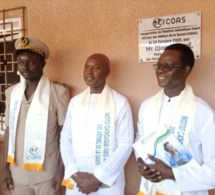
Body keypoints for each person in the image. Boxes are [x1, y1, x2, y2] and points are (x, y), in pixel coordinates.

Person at [136, 43, 215, 195]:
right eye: (158, 65)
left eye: (168, 66)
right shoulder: (146, 106)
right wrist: (142, 164)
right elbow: (140, 140)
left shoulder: (203, 113)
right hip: (150, 189)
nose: (160, 70)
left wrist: (170, 173)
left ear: (186, 69)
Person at [1, 37, 70, 195]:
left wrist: (62, 171)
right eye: (20, 62)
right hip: (17, 173)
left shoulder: (58, 93)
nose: (25, 67)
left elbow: (65, 136)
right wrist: (4, 169)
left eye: (31, 62)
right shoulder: (12, 93)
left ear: (43, 64)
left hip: (48, 174)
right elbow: (9, 131)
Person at [60, 53, 133, 195]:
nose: (89, 71)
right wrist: (74, 173)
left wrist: (97, 178)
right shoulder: (75, 102)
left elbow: (125, 144)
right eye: (86, 67)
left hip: (108, 182)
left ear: (107, 72)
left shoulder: (120, 103)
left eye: (96, 67)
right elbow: (65, 138)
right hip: (78, 180)